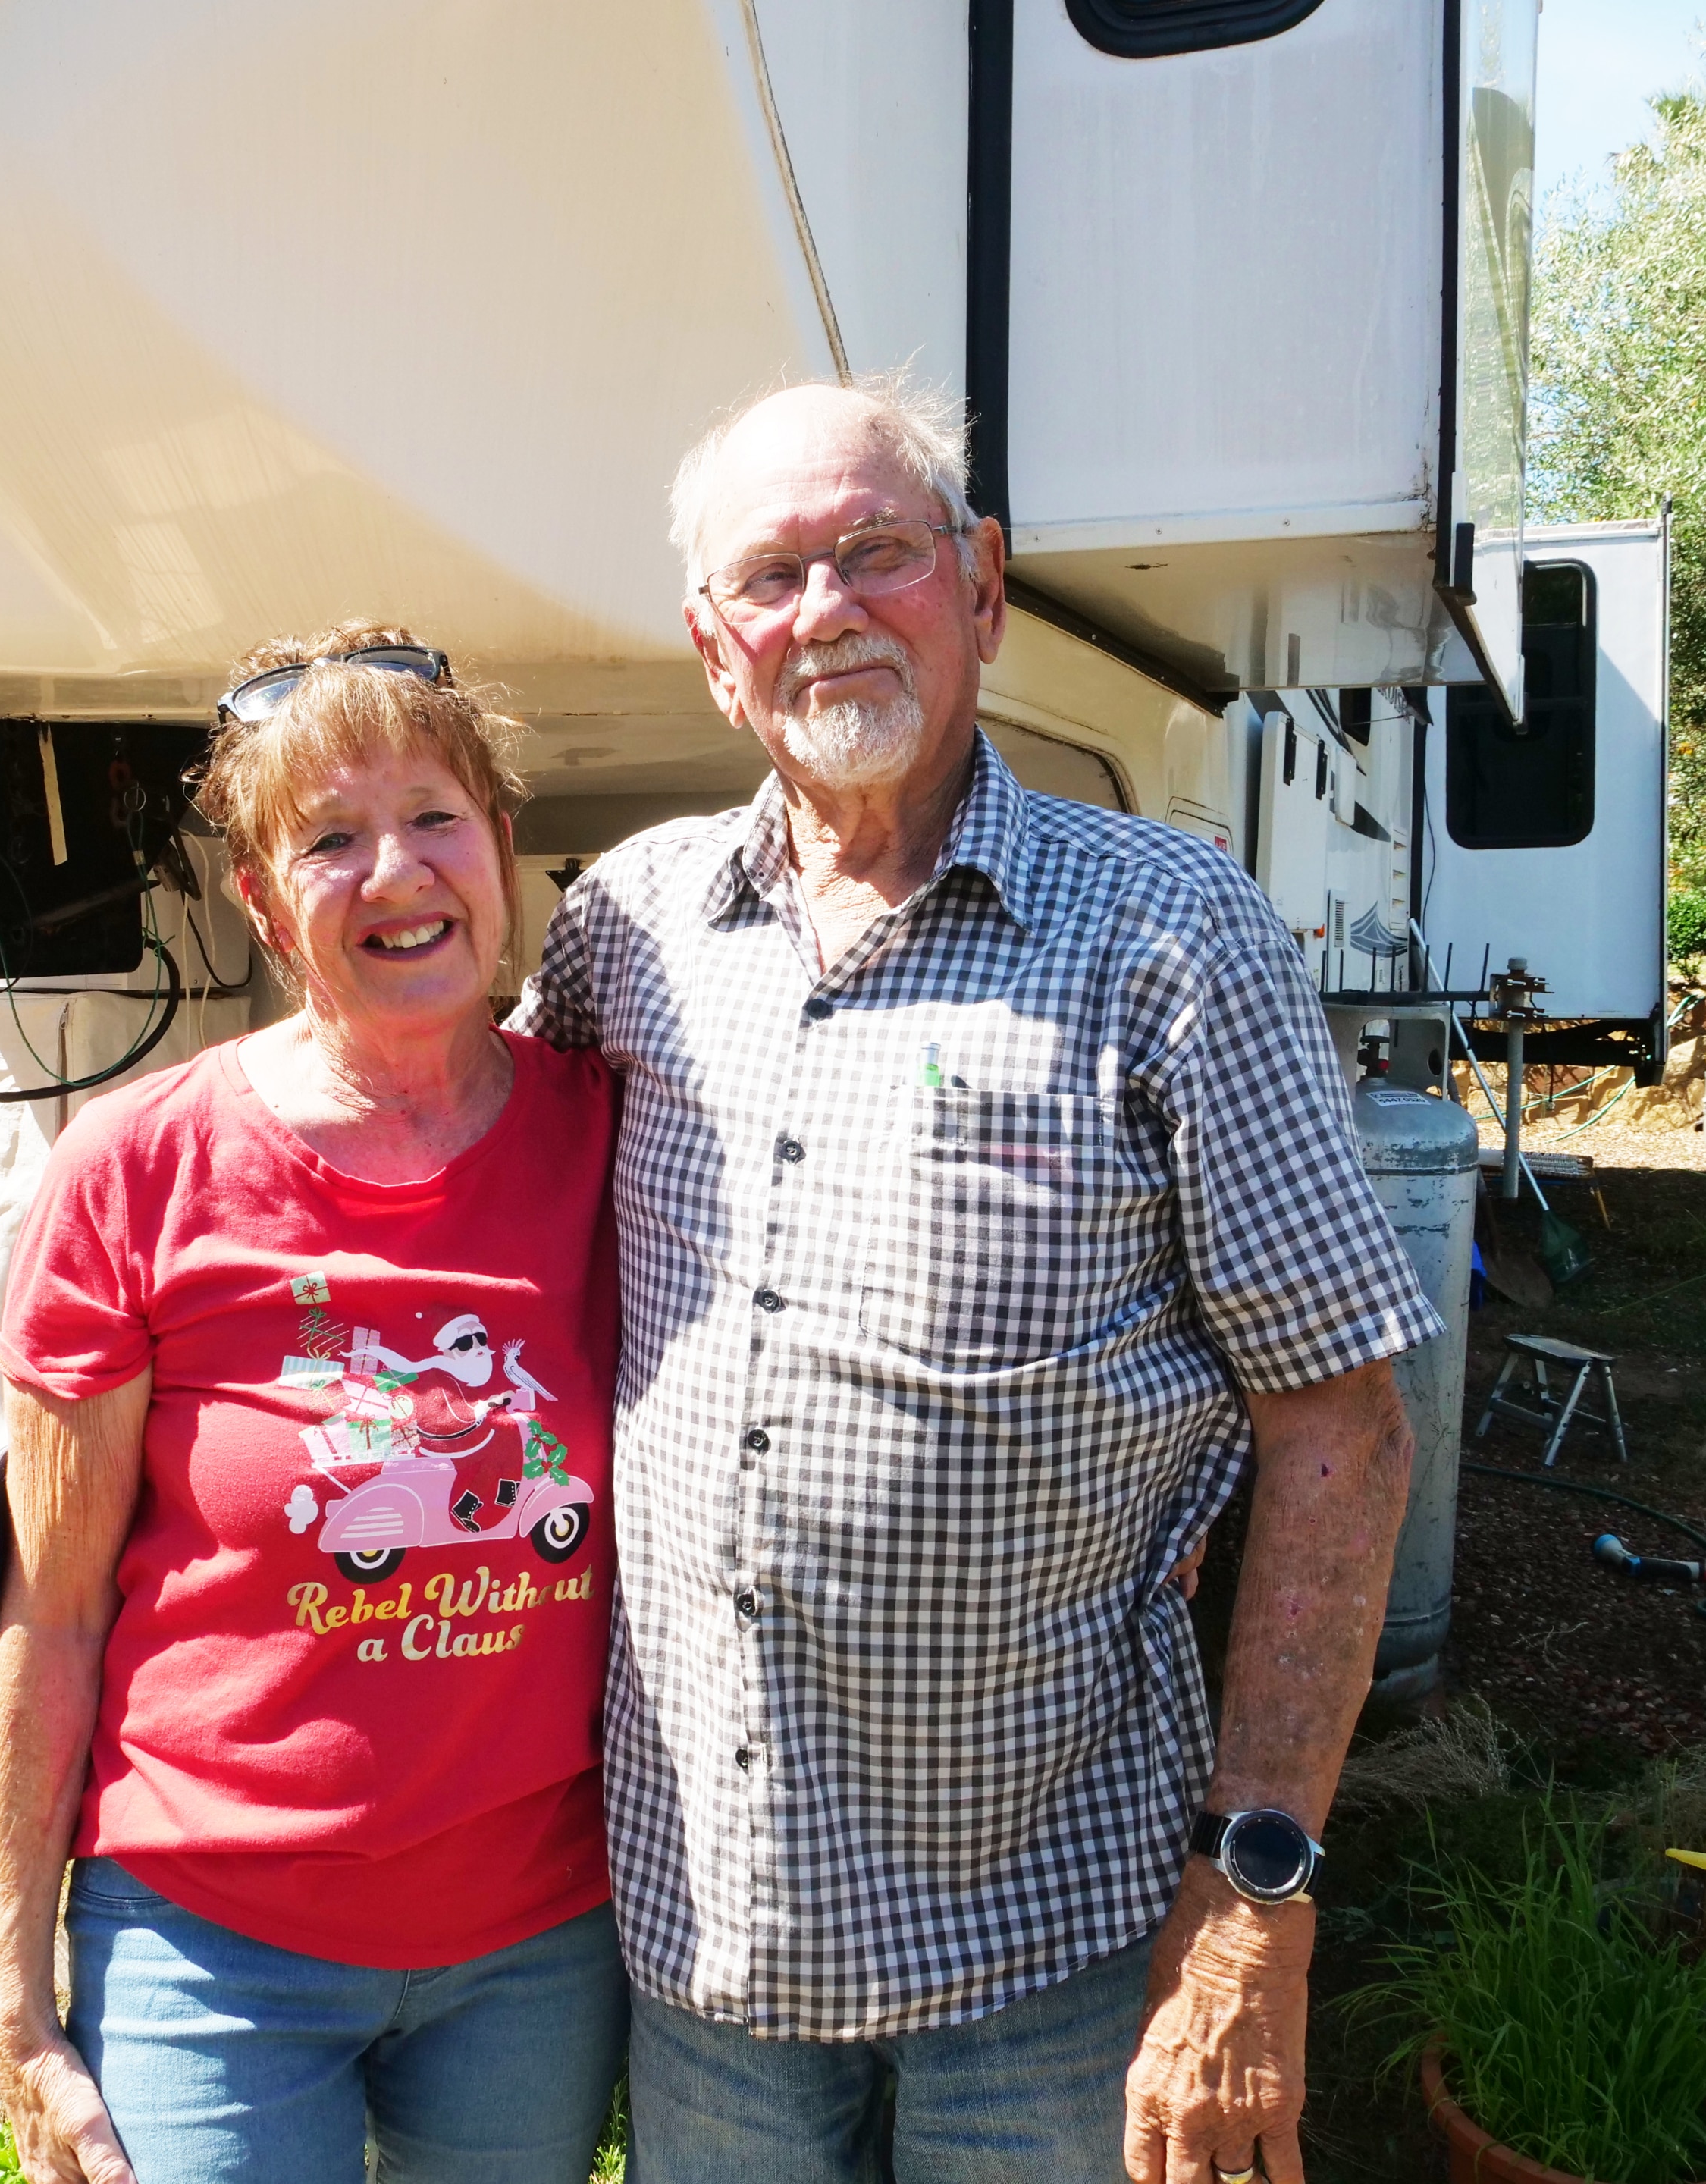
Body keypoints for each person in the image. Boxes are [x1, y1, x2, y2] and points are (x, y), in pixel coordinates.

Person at [514, 378, 1440, 2184]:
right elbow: (483, 1253)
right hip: (710, 1925)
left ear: (986, 587)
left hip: (1049, 1942)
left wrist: (1257, 1905)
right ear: (715, 652)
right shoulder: (622, 931)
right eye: (772, 577)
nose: (829, 609)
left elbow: (1344, 1432)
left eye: (878, 552)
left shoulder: (1176, 935)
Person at [0, 627, 626, 2184]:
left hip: (539, 1938)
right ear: (266, 906)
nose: (396, 871)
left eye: (434, 817)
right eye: (331, 839)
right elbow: (52, 1616)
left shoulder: (614, 1133)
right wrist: (12, 1988)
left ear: (504, 852)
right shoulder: (137, 1171)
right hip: (216, 1944)